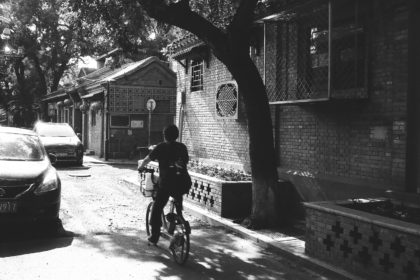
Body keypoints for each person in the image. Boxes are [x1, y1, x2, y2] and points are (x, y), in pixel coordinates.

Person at [138, 124, 189, 245]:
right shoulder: (182, 147)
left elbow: (147, 159)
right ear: (176, 135)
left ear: (165, 136)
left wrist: (140, 167)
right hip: (183, 183)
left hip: (167, 184)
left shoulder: (161, 147)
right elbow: (185, 161)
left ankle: (154, 236)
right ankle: (179, 218)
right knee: (177, 198)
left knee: (157, 208)